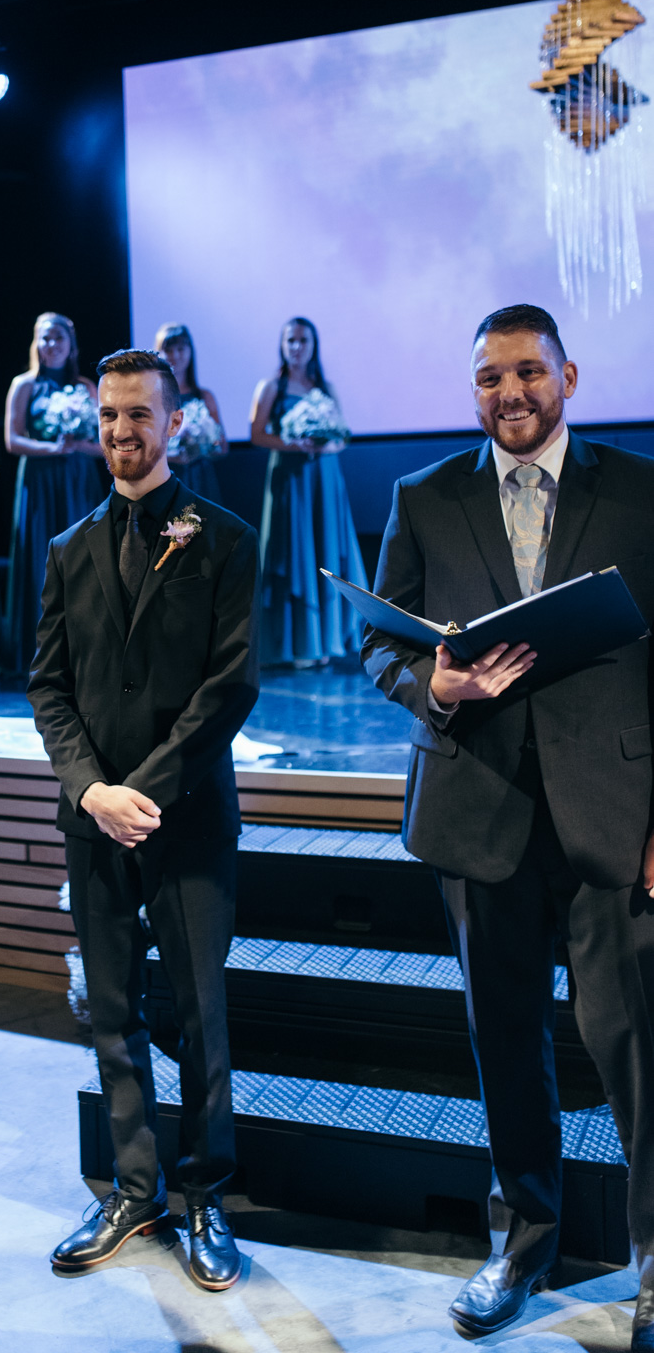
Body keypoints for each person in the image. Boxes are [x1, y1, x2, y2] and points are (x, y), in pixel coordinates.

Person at [361, 304, 654, 1346]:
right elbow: (379, 642)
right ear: (472, 390)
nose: (511, 393)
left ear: (569, 377)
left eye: (529, 372)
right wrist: (431, 684)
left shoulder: (640, 489)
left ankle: (652, 1255)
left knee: (635, 1047)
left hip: (616, 817)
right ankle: (523, 1241)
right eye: (490, 378)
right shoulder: (422, 496)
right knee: (506, 1043)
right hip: (479, 814)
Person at [28, 348, 260, 1291]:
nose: (123, 432)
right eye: (110, 416)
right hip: (93, 823)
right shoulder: (66, 546)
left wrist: (146, 791)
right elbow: (47, 686)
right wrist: (92, 791)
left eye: (139, 415)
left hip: (189, 818)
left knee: (200, 1014)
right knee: (113, 1013)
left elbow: (231, 684)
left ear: (175, 424)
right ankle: (134, 1188)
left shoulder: (225, 538)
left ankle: (204, 1194)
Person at [251, 316, 367, 666]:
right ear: (282, 346)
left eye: (303, 340)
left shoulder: (325, 387)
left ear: (313, 345)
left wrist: (326, 446)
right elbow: (257, 434)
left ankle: (327, 640)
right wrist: (293, 444)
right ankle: (298, 645)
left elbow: (342, 436)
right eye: (291, 341)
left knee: (327, 548)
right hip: (291, 479)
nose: (297, 347)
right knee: (296, 550)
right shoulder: (271, 387)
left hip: (324, 479)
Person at [3, 313, 101, 674]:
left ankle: (84, 649)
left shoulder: (87, 387)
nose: (52, 345)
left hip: (78, 479)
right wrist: (51, 448)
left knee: (82, 559)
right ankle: (39, 652)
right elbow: (12, 440)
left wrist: (75, 445)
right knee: (40, 560)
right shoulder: (24, 385)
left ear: (71, 344)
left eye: (58, 338)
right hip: (40, 481)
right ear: (36, 344)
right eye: (45, 338)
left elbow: (103, 444)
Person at [154, 323, 228, 503]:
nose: (175, 355)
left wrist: (200, 447)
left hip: (199, 479)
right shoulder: (153, 396)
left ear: (190, 352)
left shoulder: (204, 396)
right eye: (169, 349)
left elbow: (222, 446)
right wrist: (173, 457)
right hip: (166, 478)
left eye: (181, 348)